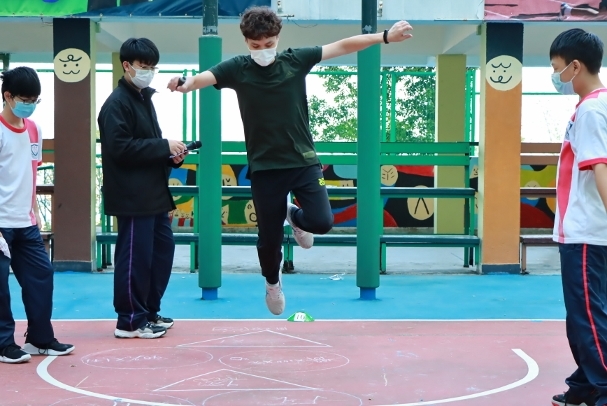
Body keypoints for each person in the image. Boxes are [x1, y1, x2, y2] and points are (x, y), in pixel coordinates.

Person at [167, 7, 413, 316]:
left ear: (278, 38)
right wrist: (184, 82)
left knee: (322, 222)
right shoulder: (238, 68)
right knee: (268, 240)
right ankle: (272, 282)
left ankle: (293, 215)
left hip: (303, 161)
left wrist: (385, 37)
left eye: (269, 44)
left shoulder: (295, 60)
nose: (263, 50)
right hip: (265, 168)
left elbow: (342, 45)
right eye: (256, 45)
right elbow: (202, 78)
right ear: (246, 42)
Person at [99, 38, 187, 339]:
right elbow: (120, 148)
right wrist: (163, 146)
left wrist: (170, 156)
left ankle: (148, 310)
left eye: (152, 67)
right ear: (127, 65)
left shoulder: (142, 99)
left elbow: (146, 146)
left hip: (153, 194)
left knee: (161, 252)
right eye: (143, 66)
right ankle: (130, 320)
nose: (148, 71)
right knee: (135, 257)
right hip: (132, 196)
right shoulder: (116, 104)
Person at [0, 66, 75, 363]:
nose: (30, 105)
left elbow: (30, 172)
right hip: (1, 224)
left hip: (26, 222)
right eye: (25, 99)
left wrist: (34, 211)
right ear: (8, 96)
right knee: (0, 285)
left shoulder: (34, 129)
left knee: (41, 276)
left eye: (35, 100)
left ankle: (40, 338)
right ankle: (4, 343)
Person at [550, 28, 607, 406]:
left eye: (556, 68)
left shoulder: (591, 110)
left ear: (575, 66)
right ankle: (585, 382)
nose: (555, 76)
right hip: (585, 231)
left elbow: (600, 167)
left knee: (586, 316)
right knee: (585, 314)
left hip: (586, 231)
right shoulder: (596, 104)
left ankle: (602, 386)